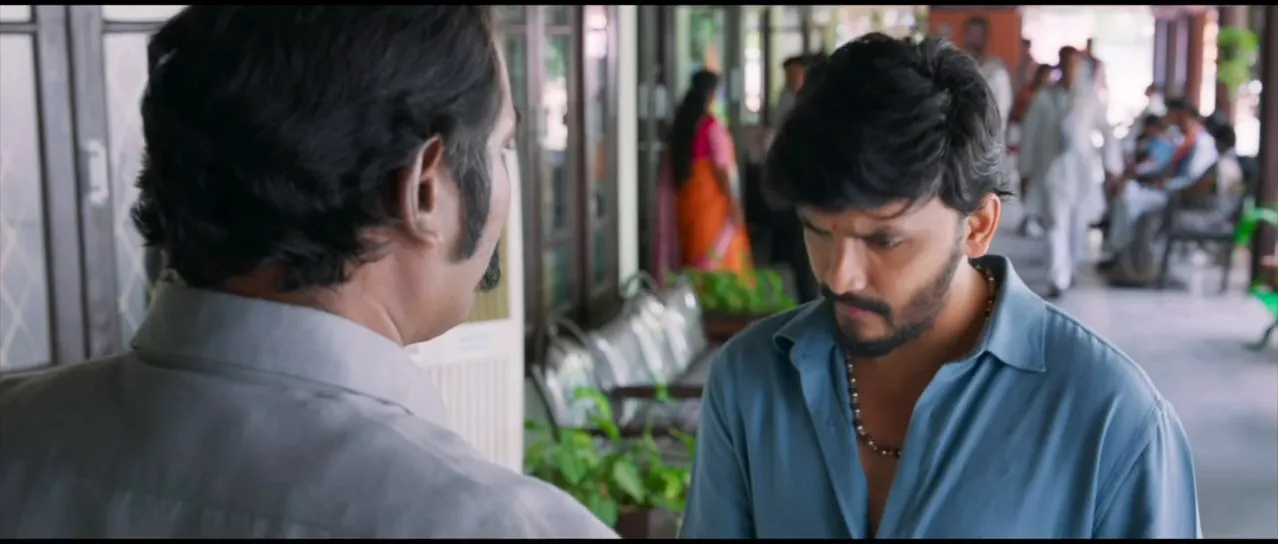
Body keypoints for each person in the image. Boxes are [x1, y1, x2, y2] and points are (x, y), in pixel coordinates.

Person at [0, 7, 616, 539]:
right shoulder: (506, 527)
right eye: (501, 145)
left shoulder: (19, 437)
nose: (507, 176)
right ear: (424, 191)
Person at [680, 33, 1199, 539]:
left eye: (884, 241)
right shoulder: (751, 381)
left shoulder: (1111, 419)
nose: (839, 276)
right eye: (818, 231)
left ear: (977, 226)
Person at [1031, 54, 1121, 299]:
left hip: (1081, 173)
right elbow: (1032, 135)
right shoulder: (1044, 98)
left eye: (1075, 65)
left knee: (1077, 224)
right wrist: (1026, 170)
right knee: (1055, 223)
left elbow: (1106, 132)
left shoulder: (1089, 98)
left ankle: (1069, 268)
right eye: (1067, 64)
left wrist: (1111, 167)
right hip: (1052, 172)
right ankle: (1056, 276)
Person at [1102, 99, 1218, 263]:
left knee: (1128, 201)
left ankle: (1121, 253)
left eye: (1174, 116)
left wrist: (1163, 184)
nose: (1172, 121)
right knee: (1126, 192)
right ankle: (1122, 253)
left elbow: (1192, 180)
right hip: (1167, 189)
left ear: (1184, 115)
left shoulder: (1202, 143)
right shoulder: (1183, 139)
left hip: (1180, 196)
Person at [665, 70, 752, 273]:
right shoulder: (711, 127)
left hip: (689, 202)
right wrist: (733, 203)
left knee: (695, 255)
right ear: (712, 94)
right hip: (712, 204)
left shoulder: (683, 125)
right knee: (718, 260)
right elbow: (722, 169)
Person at [961, 16, 1013, 132]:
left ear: (985, 37)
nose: (973, 39)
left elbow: (1001, 112)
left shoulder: (997, 74)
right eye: (970, 34)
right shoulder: (958, 69)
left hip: (987, 136)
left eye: (977, 34)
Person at [772, 56, 807, 127]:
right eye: (788, 74)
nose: (792, 77)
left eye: (795, 74)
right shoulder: (784, 94)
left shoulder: (811, 94)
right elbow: (779, 121)